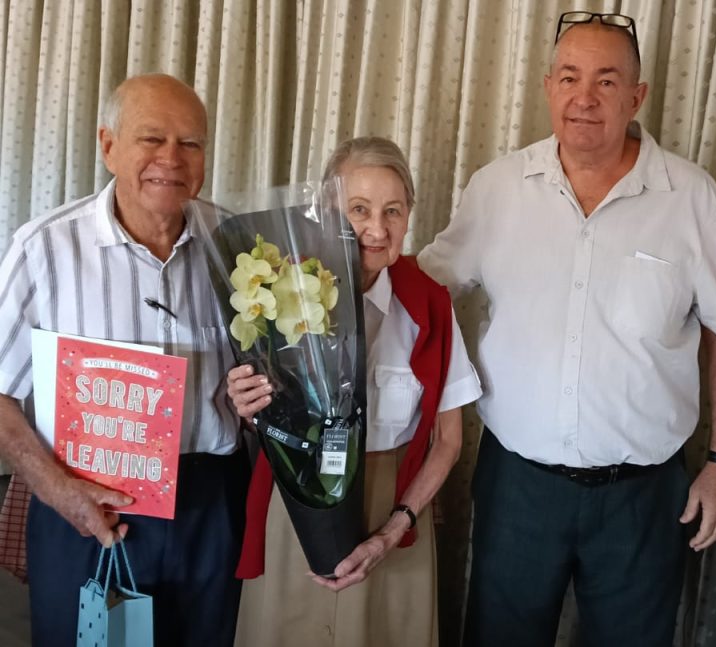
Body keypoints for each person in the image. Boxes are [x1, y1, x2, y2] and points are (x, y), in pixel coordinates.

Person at [417, 12, 716, 647]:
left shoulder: (691, 196)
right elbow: (425, 292)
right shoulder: (497, 188)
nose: (585, 98)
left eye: (606, 80)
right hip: (517, 486)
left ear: (637, 96)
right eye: (569, 77)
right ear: (548, 87)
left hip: (643, 497)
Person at [0, 74, 248, 646]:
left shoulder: (236, 244)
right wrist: (59, 491)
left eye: (191, 143)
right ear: (108, 145)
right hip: (87, 506)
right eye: (151, 138)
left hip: (210, 505)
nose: (171, 159)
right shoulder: (44, 249)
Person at [228, 136, 482, 647]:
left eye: (393, 211)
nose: (377, 229)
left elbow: (449, 441)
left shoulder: (429, 304)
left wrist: (394, 528)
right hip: (298, 506)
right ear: (326, 212)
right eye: (359, 209)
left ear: (409, 216)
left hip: (393, 510)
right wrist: (245, 404)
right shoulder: (279, 289)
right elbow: (261, 419)